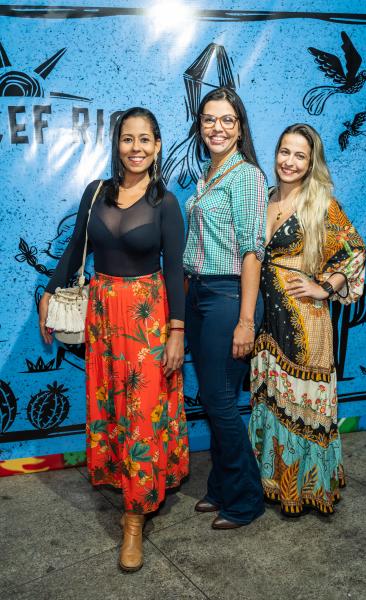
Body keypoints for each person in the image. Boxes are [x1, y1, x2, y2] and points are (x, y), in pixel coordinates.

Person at [39, 107, 189, 570]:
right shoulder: (96, 192)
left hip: (147, 319)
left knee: (142, 413)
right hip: (103, 316)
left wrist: (177, 332)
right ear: (117, 144)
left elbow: (175, 271)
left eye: (145, 139)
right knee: (111, 405)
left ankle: (134, 519)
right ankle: (119, 478)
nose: (135, 148)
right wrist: (49, 292)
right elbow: (75, 248)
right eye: (128, 139)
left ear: (157, 146)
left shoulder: (166, 203)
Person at [249, 123, 366, 516]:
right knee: (271, 399)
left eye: (300, 155)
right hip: (266, 324)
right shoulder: (264, 199)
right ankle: (270, 482)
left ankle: (305, 488)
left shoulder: (321, 204)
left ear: (312, 162)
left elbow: (354, 250)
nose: (290, 161)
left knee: (301, 404)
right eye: (285, 151)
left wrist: (325, 288)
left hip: (305, 322)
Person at [184, 87, 268, 529]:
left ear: (239, 128)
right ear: (200, 126)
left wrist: (246, 322)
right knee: (216, 400)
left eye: (227, 120)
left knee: (219, 401)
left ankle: (246, 498)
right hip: (199, 295)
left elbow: (253, 252)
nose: (217, 127)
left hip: (229, 297)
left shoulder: (247, 176)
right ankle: (221, 487)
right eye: (209, 119)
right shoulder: (208, 174)